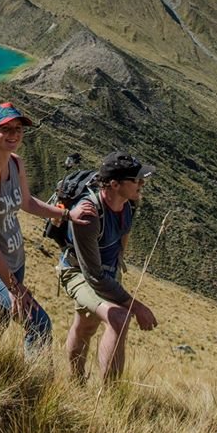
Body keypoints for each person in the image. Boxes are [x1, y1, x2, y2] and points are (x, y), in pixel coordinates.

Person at [0, 102, 97, 355]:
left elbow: (26, 202)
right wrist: (15, 288)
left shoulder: (15, 163)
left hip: (13, 261)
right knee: (39, 324)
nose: (14, 134)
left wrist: (67, 214)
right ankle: (33, 388)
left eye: (19, 129)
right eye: (6, 129)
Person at [58, 151, 158, 382]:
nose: (142, 184)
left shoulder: (129, 203)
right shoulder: (89, 215)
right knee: (119, 318)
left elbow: (124, 232)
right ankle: (109, 396)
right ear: (114, 184)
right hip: (79, 272)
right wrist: (137, 307)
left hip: (106, 272)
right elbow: (93, 276)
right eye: (136, 180)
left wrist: (118, 259)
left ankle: (75, 382)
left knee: (86, 326)